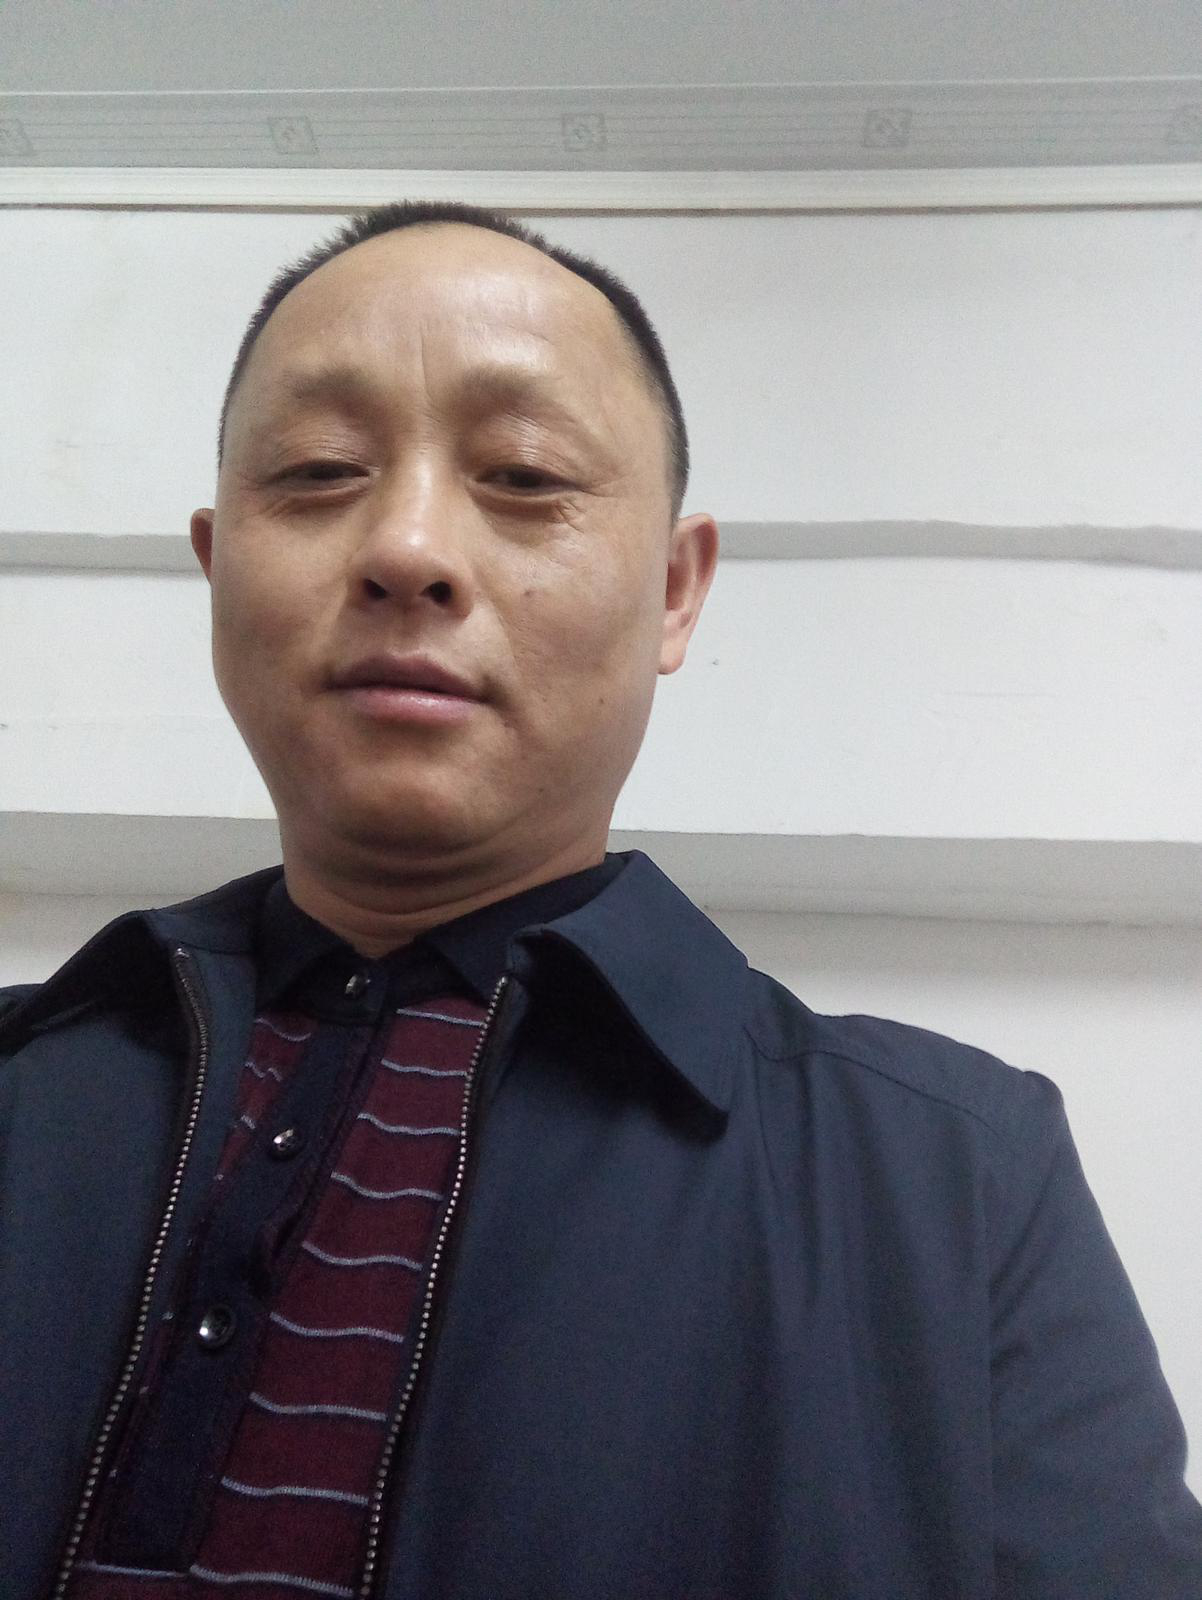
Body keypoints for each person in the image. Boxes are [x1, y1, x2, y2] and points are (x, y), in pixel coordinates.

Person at [2, 199, 1199, 1600]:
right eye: (320, 471)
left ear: (675, 592)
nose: (408, 547)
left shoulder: (958, 1178)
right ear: (217, 569)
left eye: (522, 474)